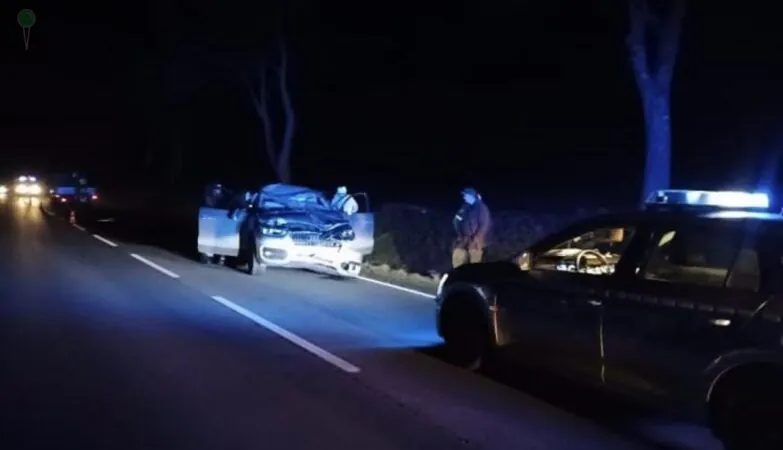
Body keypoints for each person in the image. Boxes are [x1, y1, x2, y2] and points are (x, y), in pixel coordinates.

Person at [452, 187, 492, 268]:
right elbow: (457, 219)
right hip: (463, 239)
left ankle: (473, 278)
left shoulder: (481, 208)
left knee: (474, 263)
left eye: (465, 195)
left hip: (475, 241)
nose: (464, 197)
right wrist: (459, 233)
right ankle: (458, 276)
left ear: (471, 196)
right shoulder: (465, 207)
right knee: (458, 258)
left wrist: (477, 238)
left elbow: (484, 224)